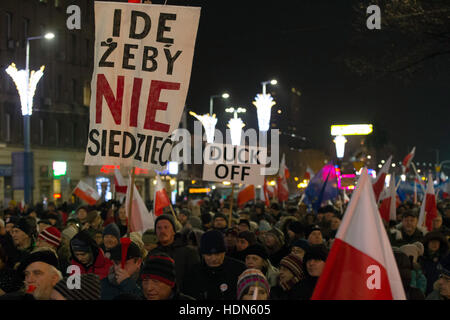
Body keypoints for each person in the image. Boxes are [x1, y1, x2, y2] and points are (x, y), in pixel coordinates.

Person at [183, 230, 246, 300]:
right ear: (203, 254)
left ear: (224, 252)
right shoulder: (193, 273)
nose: (214, 259)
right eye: (209, 255)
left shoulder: (239, 270)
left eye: (218, 254)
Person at [148, 214, 200, 292]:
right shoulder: (152, 254)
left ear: (173, 231)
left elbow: (195, 279)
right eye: (159, 228)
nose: (162, 231)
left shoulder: (189, 252)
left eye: (166, 227)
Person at [419, 231, 450, 295]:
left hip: (441, 293)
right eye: (432, 241)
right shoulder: (420, 259)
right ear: (427, 243)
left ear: (440, 244)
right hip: (423, 293)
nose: (434, 244)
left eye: (437, 242)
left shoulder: (445, 259)